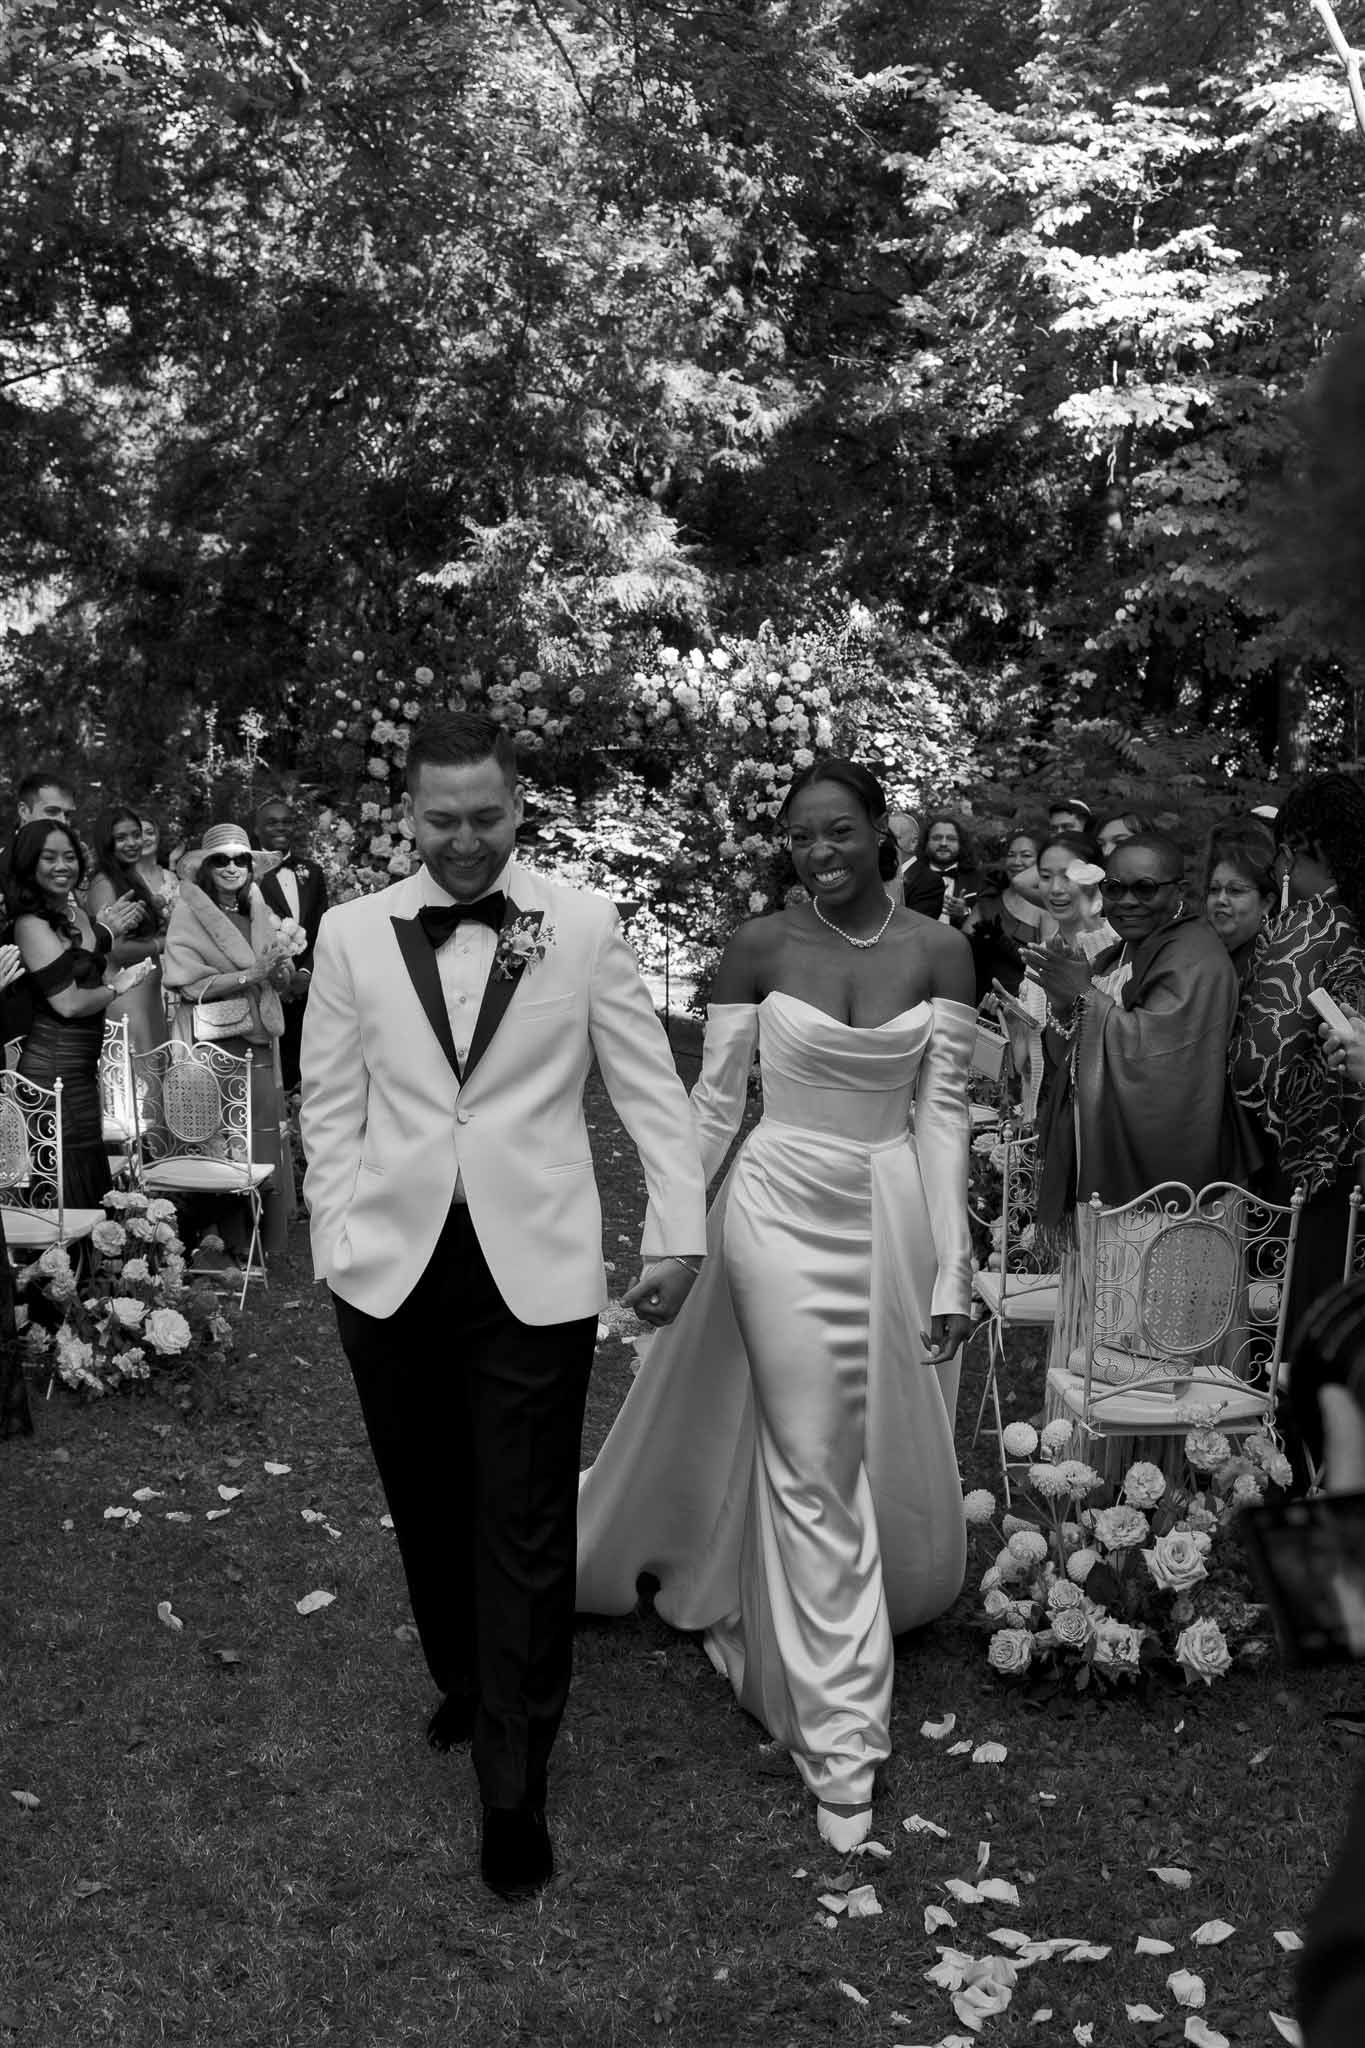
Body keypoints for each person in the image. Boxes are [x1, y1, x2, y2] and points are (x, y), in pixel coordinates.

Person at [300, 711, 707, 1903]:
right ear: (410, 816)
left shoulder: (581, 924)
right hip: (390, 1265)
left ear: (519, 804)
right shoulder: (351, 933)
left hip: (535, 1266)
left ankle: (513, 1780)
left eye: (487, 816)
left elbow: (651, 1090)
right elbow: (327, 1101)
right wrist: (336, 1237)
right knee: (427, 1496)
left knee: (524, 1513)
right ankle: (467, 1677)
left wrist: (676, 1231)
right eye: (443, 820)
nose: (466, 840)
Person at [577, 758, 976, 1853]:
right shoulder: (758, 945)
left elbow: (944, 1117)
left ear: (883, 830)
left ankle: (801, 1605)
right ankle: (841, 1734)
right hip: (776, 1205)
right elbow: (712, 1111)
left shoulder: (941, 949)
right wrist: (674, 1237)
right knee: (809, 1446)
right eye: (801, 836)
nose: (819, 851)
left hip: (891, 1206)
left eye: (839, 830)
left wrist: (954, 1265)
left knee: (855, 1434)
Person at [1027, 832, 1245, 1234]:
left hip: (1164, 1187)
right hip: (1100, 1154)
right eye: (1114, 888)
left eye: (1144, 889)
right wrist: (1062, 1003)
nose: (1127, 901)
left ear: (1179, 891)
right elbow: (1067, 1062)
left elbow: (1157, 1061)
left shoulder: (1194, 957)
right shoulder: (1113, 956)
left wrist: (1082, 994)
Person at [1231, 772, 1365, 1336]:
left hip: (1321, 1169)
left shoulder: (1311, 924)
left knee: (1308, 1338)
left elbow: (1256, 1066)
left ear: (1289, 854)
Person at [162, 824, 297, 1261]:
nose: (232, 867)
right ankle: (225, 1241)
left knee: (261, 1131)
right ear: (206, 867)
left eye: (241, 859)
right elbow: (186, 984)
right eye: (221, 859)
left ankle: (263, 1240)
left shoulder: (258, 911)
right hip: (217, 1043)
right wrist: (249, 975)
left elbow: (272, 977)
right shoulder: (188, 914)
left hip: (258, 1041)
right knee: (223, 1139)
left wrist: (281, 974)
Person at [11, 822, 153, 1208]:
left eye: (69, 856)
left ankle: (96, 1250)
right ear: (29, 864)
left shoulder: (76, 916)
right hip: (50, 1073)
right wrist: (117, 987)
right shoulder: (29, 924)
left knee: (89, 1181)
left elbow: (83, 958)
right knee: (65, 1190)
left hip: (81, 1073)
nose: (62, 866)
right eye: (49, 857)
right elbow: (69, 1003)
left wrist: (103, 928)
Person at [988, 833, 1113, 1124]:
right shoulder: (1040, 956)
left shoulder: (1117, 950)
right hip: (1047, 1120)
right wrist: (1015, 1022)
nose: (1056, 889)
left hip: (1101, 1120)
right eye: (1045, 877)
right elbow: (1028, 1065)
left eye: (1069, 876)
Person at [254, 796, 329, 1094]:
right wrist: (279, 977)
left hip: (309, 987)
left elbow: (323, 926)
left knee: (310, 1067)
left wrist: (306, 973)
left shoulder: (312, 872)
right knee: (274, 1071)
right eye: (272, 823)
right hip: (266, 987)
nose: (281, 828)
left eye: (286, 822)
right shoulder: (246, 875)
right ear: (257, 829)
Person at [86, 807, 170, 1057]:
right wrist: (162, 944)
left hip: (146, 994)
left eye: (136, 834)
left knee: (152, 1071)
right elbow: (115, 948)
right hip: (127, 996)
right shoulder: (104, 883)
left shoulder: (129, 875)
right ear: (106, 842)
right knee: (134, 1072)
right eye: (121, 838)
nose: (132, 843)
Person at [966, 822, 1046, 1003]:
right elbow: (961, 946)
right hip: (982, 1000)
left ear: (1041, 862)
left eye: (1026, 855)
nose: (1016, 862)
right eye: (1011, 855)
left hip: (1024, 1005)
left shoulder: (1048, 905)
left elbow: (1045, 965)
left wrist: (1003, 942)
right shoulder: (989, 899)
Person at [1203, 819, 1277, 981]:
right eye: (1214, 889)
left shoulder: (1273, 966)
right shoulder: (1199, 955)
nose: (1221, 899)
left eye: (1235, 890)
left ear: (1267, 903)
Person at [901, 810, 980, 924]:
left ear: (961, 843)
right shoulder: (906, 877)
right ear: (926, 842)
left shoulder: (979, 879)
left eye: (951, 839)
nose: (943, 843)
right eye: (937, 838)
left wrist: (964, 912)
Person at [134, 812, 180, 924]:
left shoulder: (170, 876)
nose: (144, 838)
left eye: (149, 833)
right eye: (138, 835)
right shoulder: (125, 876)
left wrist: (172, 862)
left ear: (158, 837)